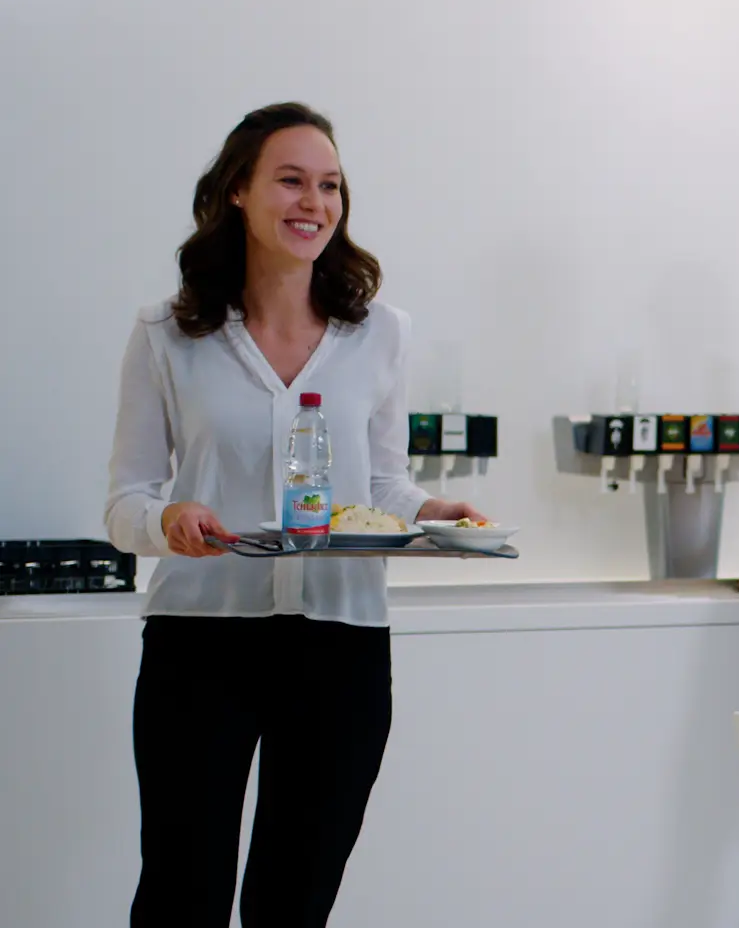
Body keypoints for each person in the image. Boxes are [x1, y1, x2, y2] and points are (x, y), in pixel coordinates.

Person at [105, 102, 485, 927]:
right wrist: (165, 522)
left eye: (330, 185)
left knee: (295, 901)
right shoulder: (167, 334)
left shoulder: (381, 334)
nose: (312, 202)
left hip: (340, 650)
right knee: (181, 894)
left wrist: (432, 511)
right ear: (238, 191)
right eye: (290, 180)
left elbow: (381, 484)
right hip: (199, 643)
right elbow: (126, 500)